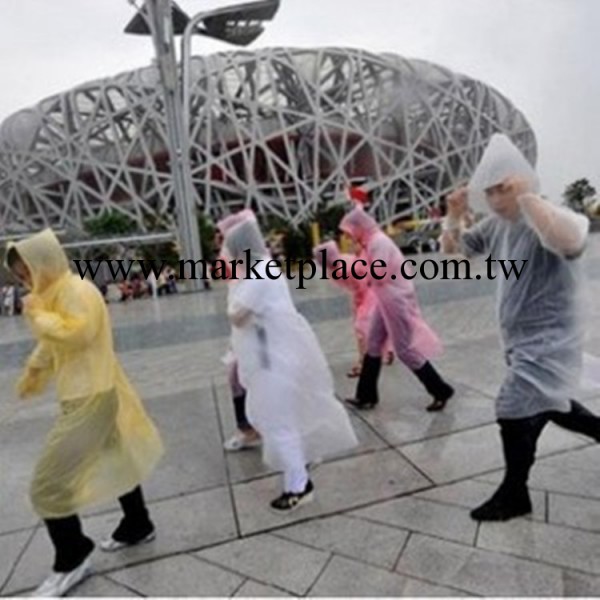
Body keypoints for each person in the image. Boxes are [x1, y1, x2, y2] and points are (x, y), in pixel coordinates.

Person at [440, 133, 600, 521]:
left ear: (523, 184)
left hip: (550, 340)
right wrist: (453, 213)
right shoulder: (498, 225)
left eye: (502, 189)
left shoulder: (547, 214)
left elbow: (572, 240)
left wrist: (528, 197)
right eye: (490, 191)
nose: (495, 199)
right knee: (550, 402)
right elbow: (454, 249)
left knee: (512, 406)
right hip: (519, 340)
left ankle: (515, 493)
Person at [5, 229, 164, 596]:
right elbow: (52, 344)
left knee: (47, 483)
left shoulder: (76, 291)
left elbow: (79, 333)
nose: (26, 281)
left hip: (91, 396)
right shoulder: (55, 295)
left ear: (44, 261)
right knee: (118, 458)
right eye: (20, 276)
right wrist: (34, 369)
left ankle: (72, 555)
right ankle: (138, 524)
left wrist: (38, 317)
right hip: (89, 392)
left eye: (27, 271)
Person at [220, 212, 358, 511]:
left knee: (278, 421)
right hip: (272, 355)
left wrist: (233, 298)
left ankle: (298, 486)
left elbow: (237, 314)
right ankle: (299, 471)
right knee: (281, 418)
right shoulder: (261, 268)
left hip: (272, 359)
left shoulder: (258, 273)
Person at [339, 203, 454, 411]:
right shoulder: (371, 243)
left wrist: (361, 272)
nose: (350, 236)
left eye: (351, 231)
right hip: (385, 301)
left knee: (405, 349)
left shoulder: (378, 243)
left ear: (360, 227)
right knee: (373, 345)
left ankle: (440, 390)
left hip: (395, 300)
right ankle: (365, 396)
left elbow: (379, 273)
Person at [313, 240, 394, 377]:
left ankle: (365, 360)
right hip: (364, 294)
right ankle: (382, 351)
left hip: (368, 294)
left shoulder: (341, 268)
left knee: (362, 327)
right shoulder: (338, 265)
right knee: (368, 327)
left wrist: (359, 300)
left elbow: (361, 283)